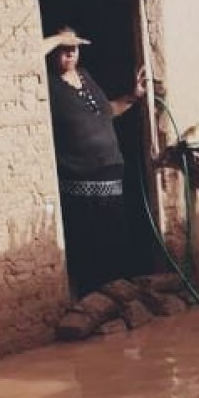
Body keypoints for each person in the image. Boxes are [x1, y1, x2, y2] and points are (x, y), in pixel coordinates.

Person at [43, 27, 146, 298]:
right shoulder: (47, 84)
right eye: (63, 50)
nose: (69, 54)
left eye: (73, 48)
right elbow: (23, 57)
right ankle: (94, 299)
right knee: (91, 243)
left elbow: (107, 111)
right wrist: (58, 39)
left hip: (111, 172)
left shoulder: (86, 77)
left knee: (115, 239)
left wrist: (132, 97)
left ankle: (118, 297)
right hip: (80, 181)